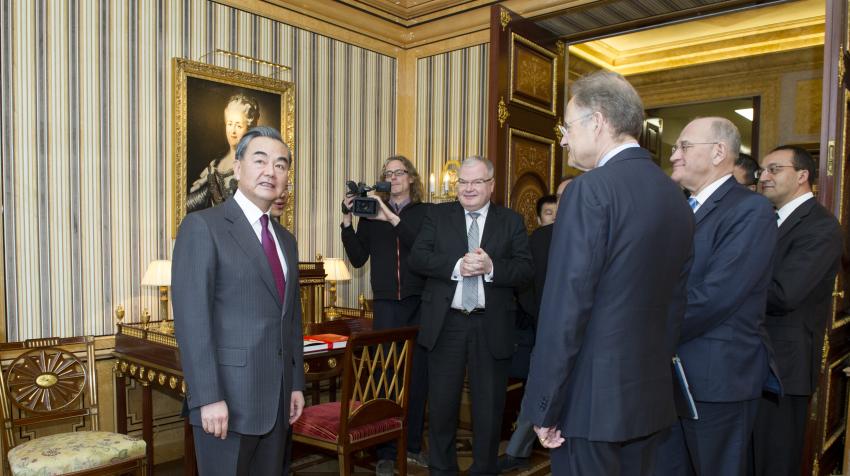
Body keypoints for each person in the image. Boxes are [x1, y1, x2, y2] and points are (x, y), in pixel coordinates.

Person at [522, 71, 694, 476]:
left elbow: (567, 307)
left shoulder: (591, 189)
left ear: (596, 122)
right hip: (649, 399)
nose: (563, 138)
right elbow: (676, 303)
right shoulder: (676, 197)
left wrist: (545, 405)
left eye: (567, 126)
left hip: (591, 403)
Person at [172, 126, 304, 475]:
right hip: (225, 404)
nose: (270, 171)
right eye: (260, 160)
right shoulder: (203, 227)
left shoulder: (286, 241)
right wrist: (207, 397)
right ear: (239, 167)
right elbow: (192, 321)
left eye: (280, 164)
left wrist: (295, 385)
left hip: (276, 403)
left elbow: (290, 320)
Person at [654, 117, 779, 476]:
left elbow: (717, 296)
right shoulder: (680, 208)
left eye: (683, 146)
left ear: (718, 152)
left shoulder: (749, 210)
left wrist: (645, 328)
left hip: (718, 379)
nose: (674, 155)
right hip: (669, 376)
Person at [409, 155, 533, 475]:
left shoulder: (512, 221)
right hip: (446, 324)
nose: (468, 188)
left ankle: (484, 469)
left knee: (489, 410)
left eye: (476, 181)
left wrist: (492, 267)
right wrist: (455, 266)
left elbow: (525, 270)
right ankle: (441, 469)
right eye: (462, 182)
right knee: (441, 407)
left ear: (491, 186)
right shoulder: (437, 216)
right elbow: (418, 258)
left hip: (490, 325)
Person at [751, 146, 842, 476]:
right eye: (762, 170)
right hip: (751, 359)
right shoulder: (765, 218)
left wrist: (729, 284)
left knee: (774, 461)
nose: (764, 177)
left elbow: (784, 294)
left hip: (783, 367)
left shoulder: (820, 227)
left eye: (774, 169)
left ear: (803, 175)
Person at [340, 155, 432, 474]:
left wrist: (390, 217)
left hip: (418, 302)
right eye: (387, 174)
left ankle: (415, 445)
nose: (393, 178)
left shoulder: (426, 214)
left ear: (411, 178)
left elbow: (420, 249)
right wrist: (347, 222)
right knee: (384, 377)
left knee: (417, 375)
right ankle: (386, 450)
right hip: (385, 305)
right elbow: (356, 258)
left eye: (398, 172)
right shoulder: (370, 215)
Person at [499, 177, 572, 474]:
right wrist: (543, 319)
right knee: (540, 390)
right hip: (546, 331)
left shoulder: (602, 234)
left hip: (590, 337)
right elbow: (524, 285)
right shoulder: (541, 238)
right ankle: (518, 450)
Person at [187, 94, 260, 213]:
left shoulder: (253, 164)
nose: (233, 131)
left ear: (249, 129)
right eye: (230, 124)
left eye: (239, 125)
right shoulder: (215, 163)